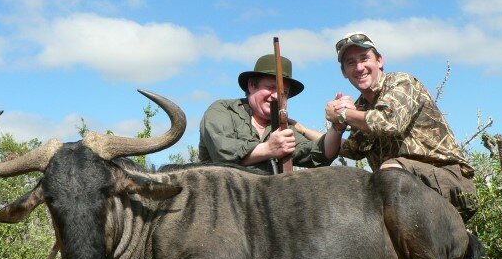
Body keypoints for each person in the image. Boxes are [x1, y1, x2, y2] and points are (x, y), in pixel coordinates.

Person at [324, 32, 477, 221]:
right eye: (350, 63)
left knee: (390, 171)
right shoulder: (362, 106)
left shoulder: (401, 83)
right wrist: (306, 130)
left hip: (450, 182)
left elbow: (388, 122)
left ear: (379, 60)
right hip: (405, 191)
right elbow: (352, 149)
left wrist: (343, 114)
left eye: (364, 58)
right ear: (344, 72)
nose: (359, 67)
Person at [199, 54, 340, 173]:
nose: (276, 96)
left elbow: (317, 154)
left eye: (283, 93)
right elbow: (222, 154)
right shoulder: (222, 110)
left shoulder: (283, 127)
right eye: (271, 88)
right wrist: (268, 148)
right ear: (252, 85)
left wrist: (338, 125)